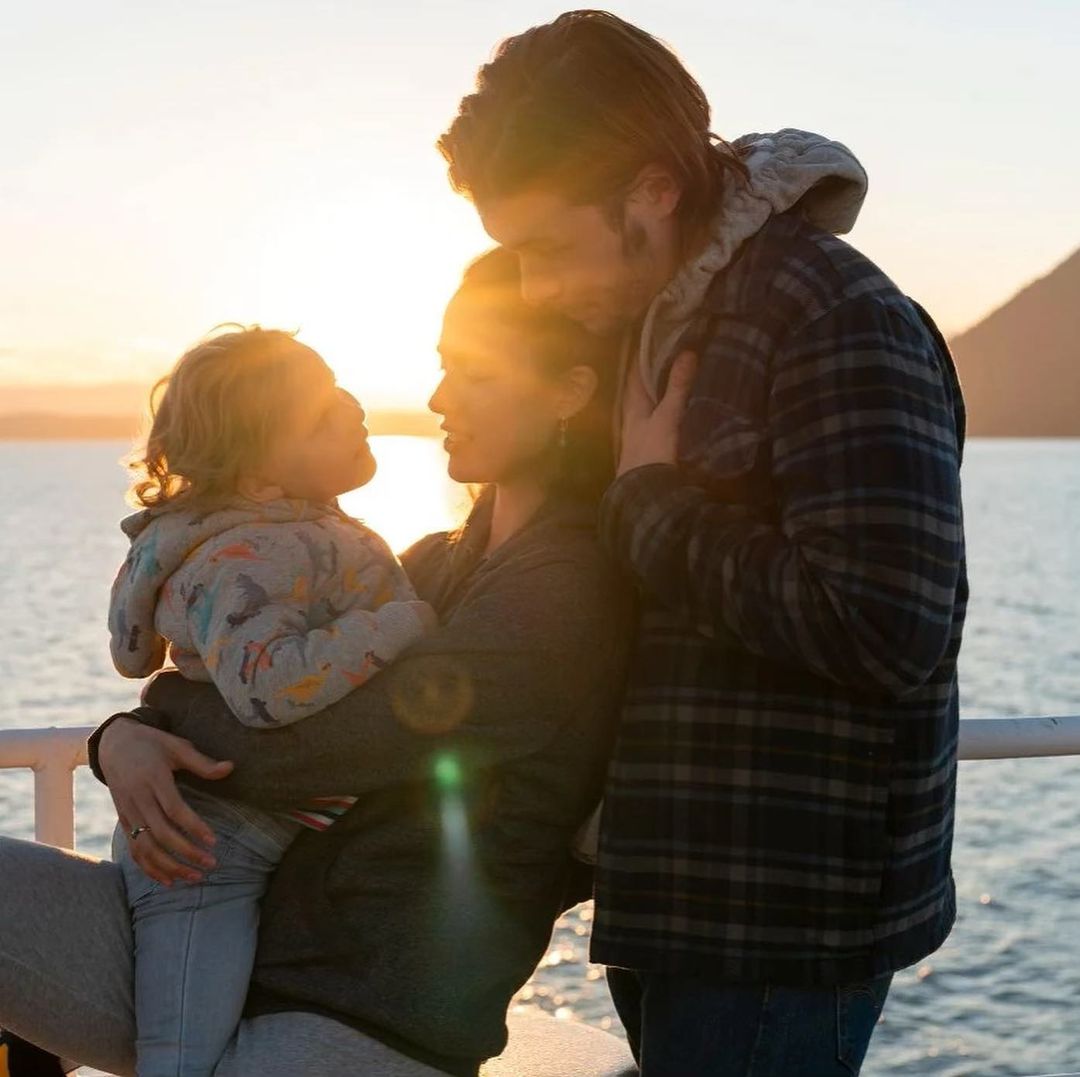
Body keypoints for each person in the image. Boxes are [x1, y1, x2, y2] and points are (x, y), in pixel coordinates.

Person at [437, 11, 968, 1075]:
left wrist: (652, 504)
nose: (536, 290)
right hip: (669, 886)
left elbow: (889, 625)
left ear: (652, 192)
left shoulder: (833, 314)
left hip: (778, 915)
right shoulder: (654, 320)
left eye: (545, 249)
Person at [0, 248, 633, 1077]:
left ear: (568, 391)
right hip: (247, 937)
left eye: (472, 374)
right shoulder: (435, 564)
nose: (439, 398)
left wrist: (146, 731)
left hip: (366, 1008)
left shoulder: (563, 589)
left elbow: (309, 738)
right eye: (443, 369)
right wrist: (122, 737)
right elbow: (256, 678)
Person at [107, 326, 437, 1076]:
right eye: (321, 415)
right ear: (260, 476)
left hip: (237, 832)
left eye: (338, 388)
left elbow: (131, 649)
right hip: (202, 853)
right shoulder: (262, 552)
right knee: (178, 1056)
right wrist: (402, 622)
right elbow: (270, 689)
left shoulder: (188, 535)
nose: (352, 410)